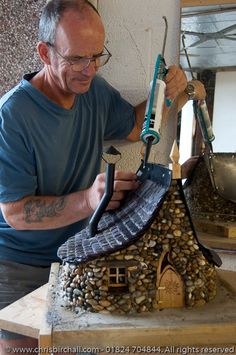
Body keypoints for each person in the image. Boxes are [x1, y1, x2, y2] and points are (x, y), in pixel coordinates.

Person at [0, 0, 187, 353]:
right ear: (44, 52)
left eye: (97, 55)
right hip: (16, 265)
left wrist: (166, 92)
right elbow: (16, 213)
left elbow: (134, 126)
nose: (89, 69)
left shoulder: (94, 93)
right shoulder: (12, 117)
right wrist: (89, 199)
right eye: (75, 59)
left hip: (77, 257)